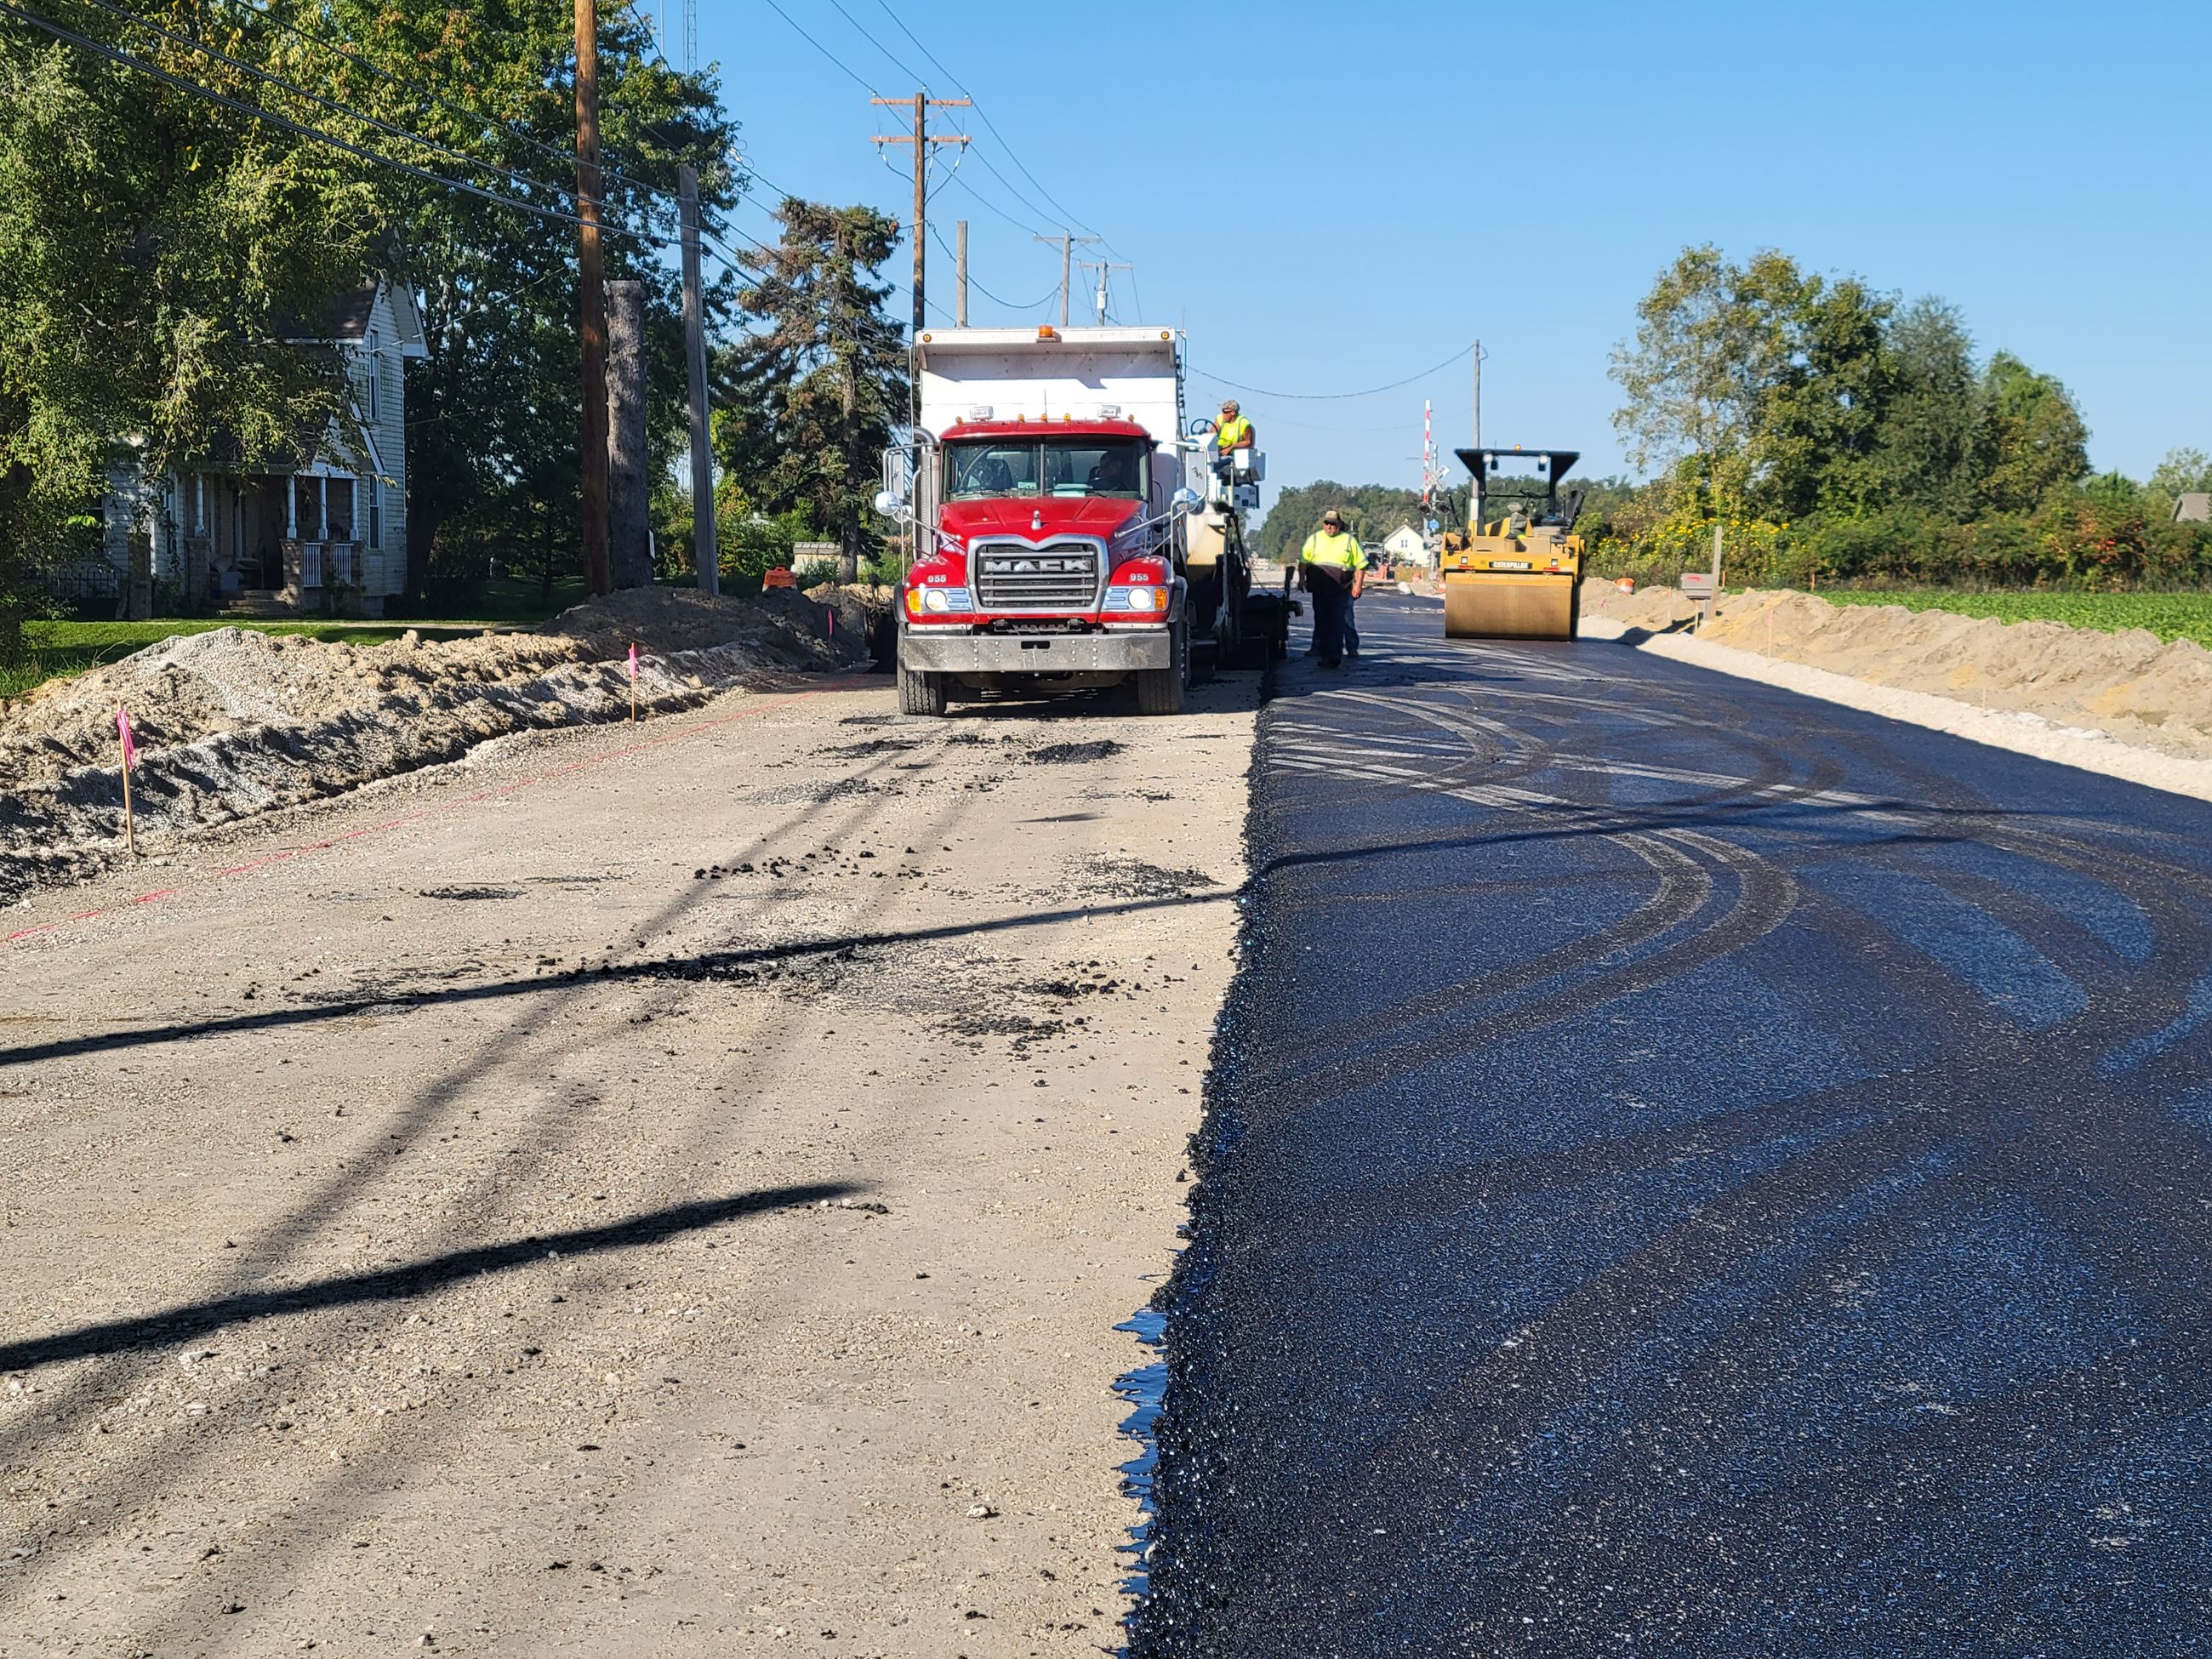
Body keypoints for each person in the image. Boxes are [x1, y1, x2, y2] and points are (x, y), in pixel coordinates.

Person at [1298, 508, 1365, 668]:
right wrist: (1301, 580)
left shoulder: (1349, 541)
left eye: (1333, 524)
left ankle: (1337, 654)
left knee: (1339, 621)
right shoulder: (1315, 539)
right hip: (1320, 589)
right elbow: (1303, 562)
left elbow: (1361, 565)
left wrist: (1358, 585)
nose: (1330, 527)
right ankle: (1323, 653)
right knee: (1322, 621)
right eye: (1327, 523)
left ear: (1339, 524)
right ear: (1323, 524)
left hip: (1341, 589)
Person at [1213, 401, 1254, 472]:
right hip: (1217, 452)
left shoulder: (1243, 423)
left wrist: (1232, 446)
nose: (1222, 414)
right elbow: (1210, 435)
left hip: (1233, 456)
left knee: (1214, 465)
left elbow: (1248, 442)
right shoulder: (1220, 419)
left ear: (1232, 413)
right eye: (1222, 411)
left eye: (1225, 412)